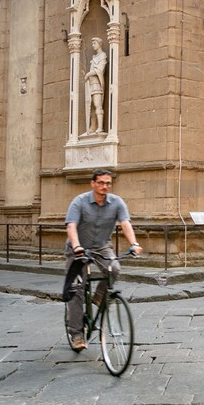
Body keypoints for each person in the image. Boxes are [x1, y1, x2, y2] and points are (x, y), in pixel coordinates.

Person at [64, 169, 143, 351]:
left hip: (101, 248)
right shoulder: (80, 202)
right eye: (100, 183)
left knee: (114, 268)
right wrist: (76, 247)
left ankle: (99, 297)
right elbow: (71, 226)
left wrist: (134, 243)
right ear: (93, 183)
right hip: (78, 249)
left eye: (108, 183)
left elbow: (125, 223)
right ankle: (77, 334)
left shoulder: (117, 202)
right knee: (77, 291)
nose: (104, 186)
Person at [83, 37, 107, 135]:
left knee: (97, 104)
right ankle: (92, 127)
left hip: (97, 84)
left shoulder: (103, 55)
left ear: (99, 44)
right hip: (91, 84)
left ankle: (100, 127)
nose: (93, 45)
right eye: (92, 43)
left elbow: (100, 70)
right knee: (91, 106)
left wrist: (88, 74)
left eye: (94, 43)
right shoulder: (94, 57)